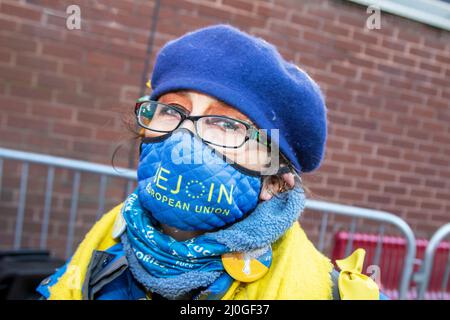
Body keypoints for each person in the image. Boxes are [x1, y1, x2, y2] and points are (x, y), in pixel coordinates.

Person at [36, 24, 382, 300]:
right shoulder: (102, 246)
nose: (183, 137)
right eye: (172, 110)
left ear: (276, 181)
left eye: (228, 124)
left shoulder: (330, 293)